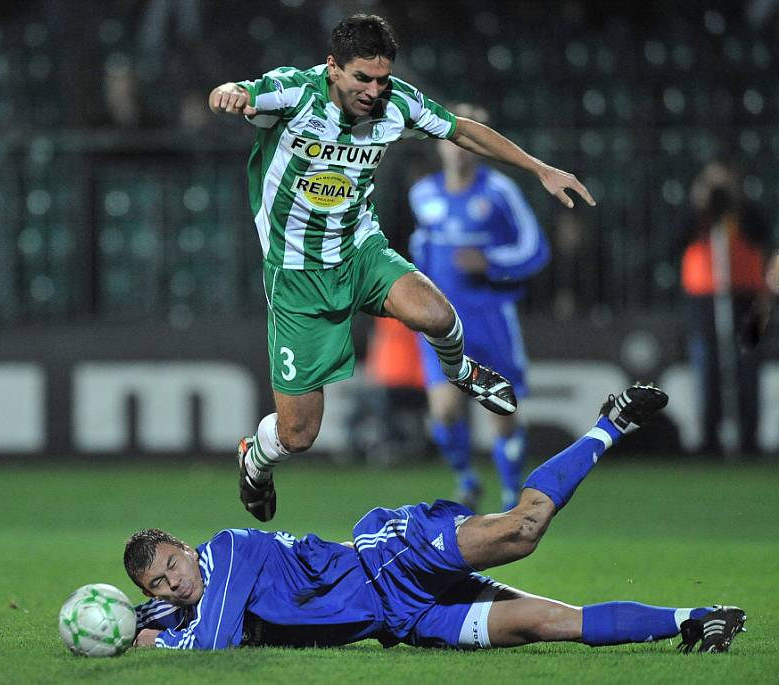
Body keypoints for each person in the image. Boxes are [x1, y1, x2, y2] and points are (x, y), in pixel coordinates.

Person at [207, 14, 595, 521]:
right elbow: (240, 91)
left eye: (381, 78)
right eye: (361, 78)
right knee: (298, 433)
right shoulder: (294, 93)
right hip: (298, 273)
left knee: (437, 315)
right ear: (332, 68)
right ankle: (254, 458)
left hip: (359, 249)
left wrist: (540, 169)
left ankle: (461, 372)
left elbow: (462, 132)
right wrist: (226, 93)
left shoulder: (398, 103)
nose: (373, 90)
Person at [124, 383, 746, 654]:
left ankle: (611, 423)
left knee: (523, 529)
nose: (174, 581)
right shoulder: (187, 602)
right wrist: (125, 624)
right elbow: (158, 620)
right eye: (160, 583)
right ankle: (697, 618)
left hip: (390, 560)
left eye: (172, 564)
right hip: (403, 619)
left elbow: (210, 643)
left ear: (185, 546)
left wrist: (150, 646)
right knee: (548, 624)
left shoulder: (227, 551)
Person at [408, 103, 551, 511]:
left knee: (500, 409)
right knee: (445, 410)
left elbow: (534, 248)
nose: (459, 147)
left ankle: (511, 493)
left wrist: (490, 261)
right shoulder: (422, 195)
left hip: (491, 316)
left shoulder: (500, 191)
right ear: (439, 144)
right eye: (451, 138)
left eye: (472, 136)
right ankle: (467, 480)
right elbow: (417, 251)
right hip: (441, 321)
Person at [680, 160, 771, 454]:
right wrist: (701, 204)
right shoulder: (698, 214)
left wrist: (735, 202)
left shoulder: (746, 211)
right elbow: (677, 240)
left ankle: (749, 439)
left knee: (748, 368)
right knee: (707, 368)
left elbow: (762, 233)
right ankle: (709, 438)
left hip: (747, 298)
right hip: (704, 299)